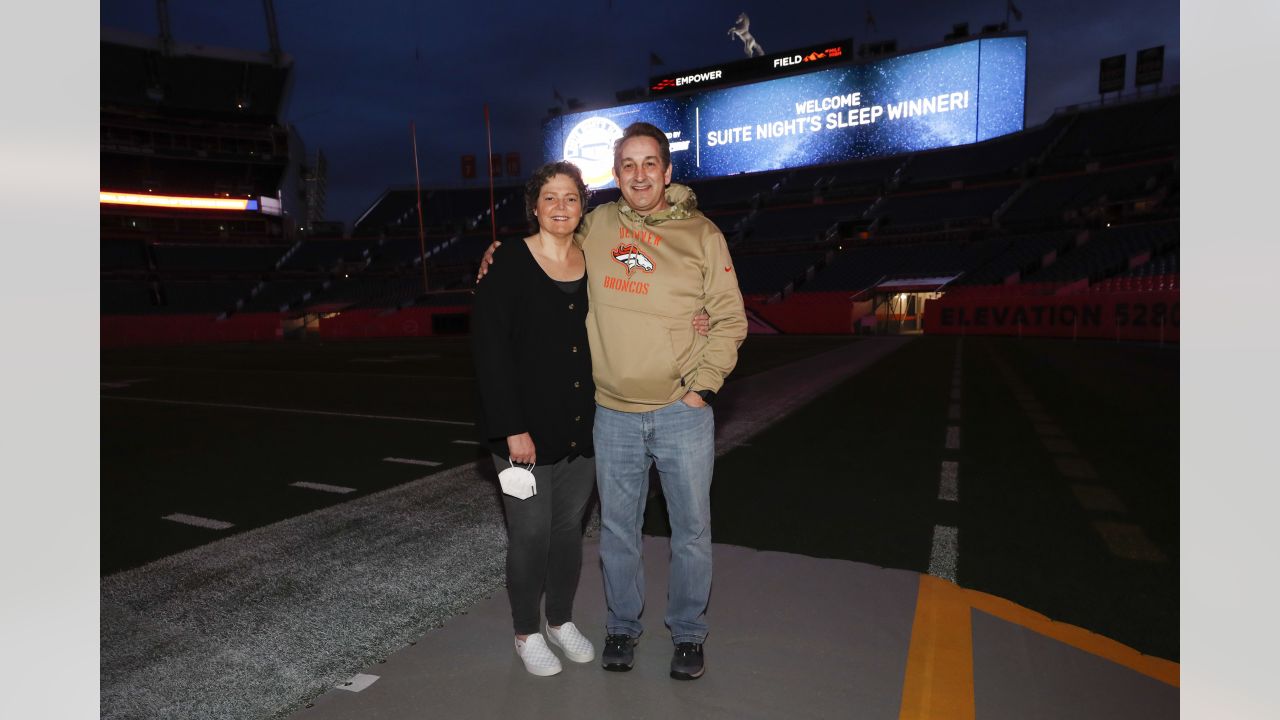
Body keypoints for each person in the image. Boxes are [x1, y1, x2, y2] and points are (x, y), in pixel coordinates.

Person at [479, 122, 748, 681]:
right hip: (613, 415)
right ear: (616, 174)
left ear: (668, 171)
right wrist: (497, 253)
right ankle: (622, 626)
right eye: (628, 164)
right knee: (617, 532)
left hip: (681, 411)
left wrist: (703, 387)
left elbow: (729, 319)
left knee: (691, 530)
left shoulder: (704, 235)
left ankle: (689, 635)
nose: (640, 174)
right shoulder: (597, 225)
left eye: (650, 163)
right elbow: (541, 252)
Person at [471, 162, 600, 677]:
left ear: (582, 205)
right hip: (521, 434)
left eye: (571, 197)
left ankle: (560, 620)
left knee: (569, 531)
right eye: (551, 197)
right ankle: (526, 632)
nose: (561, 206)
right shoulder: (507, 261)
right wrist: (509, 427)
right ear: (535, 206)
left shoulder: (595, 262)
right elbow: (489, 351)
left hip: (581, 429)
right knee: (529, 534)